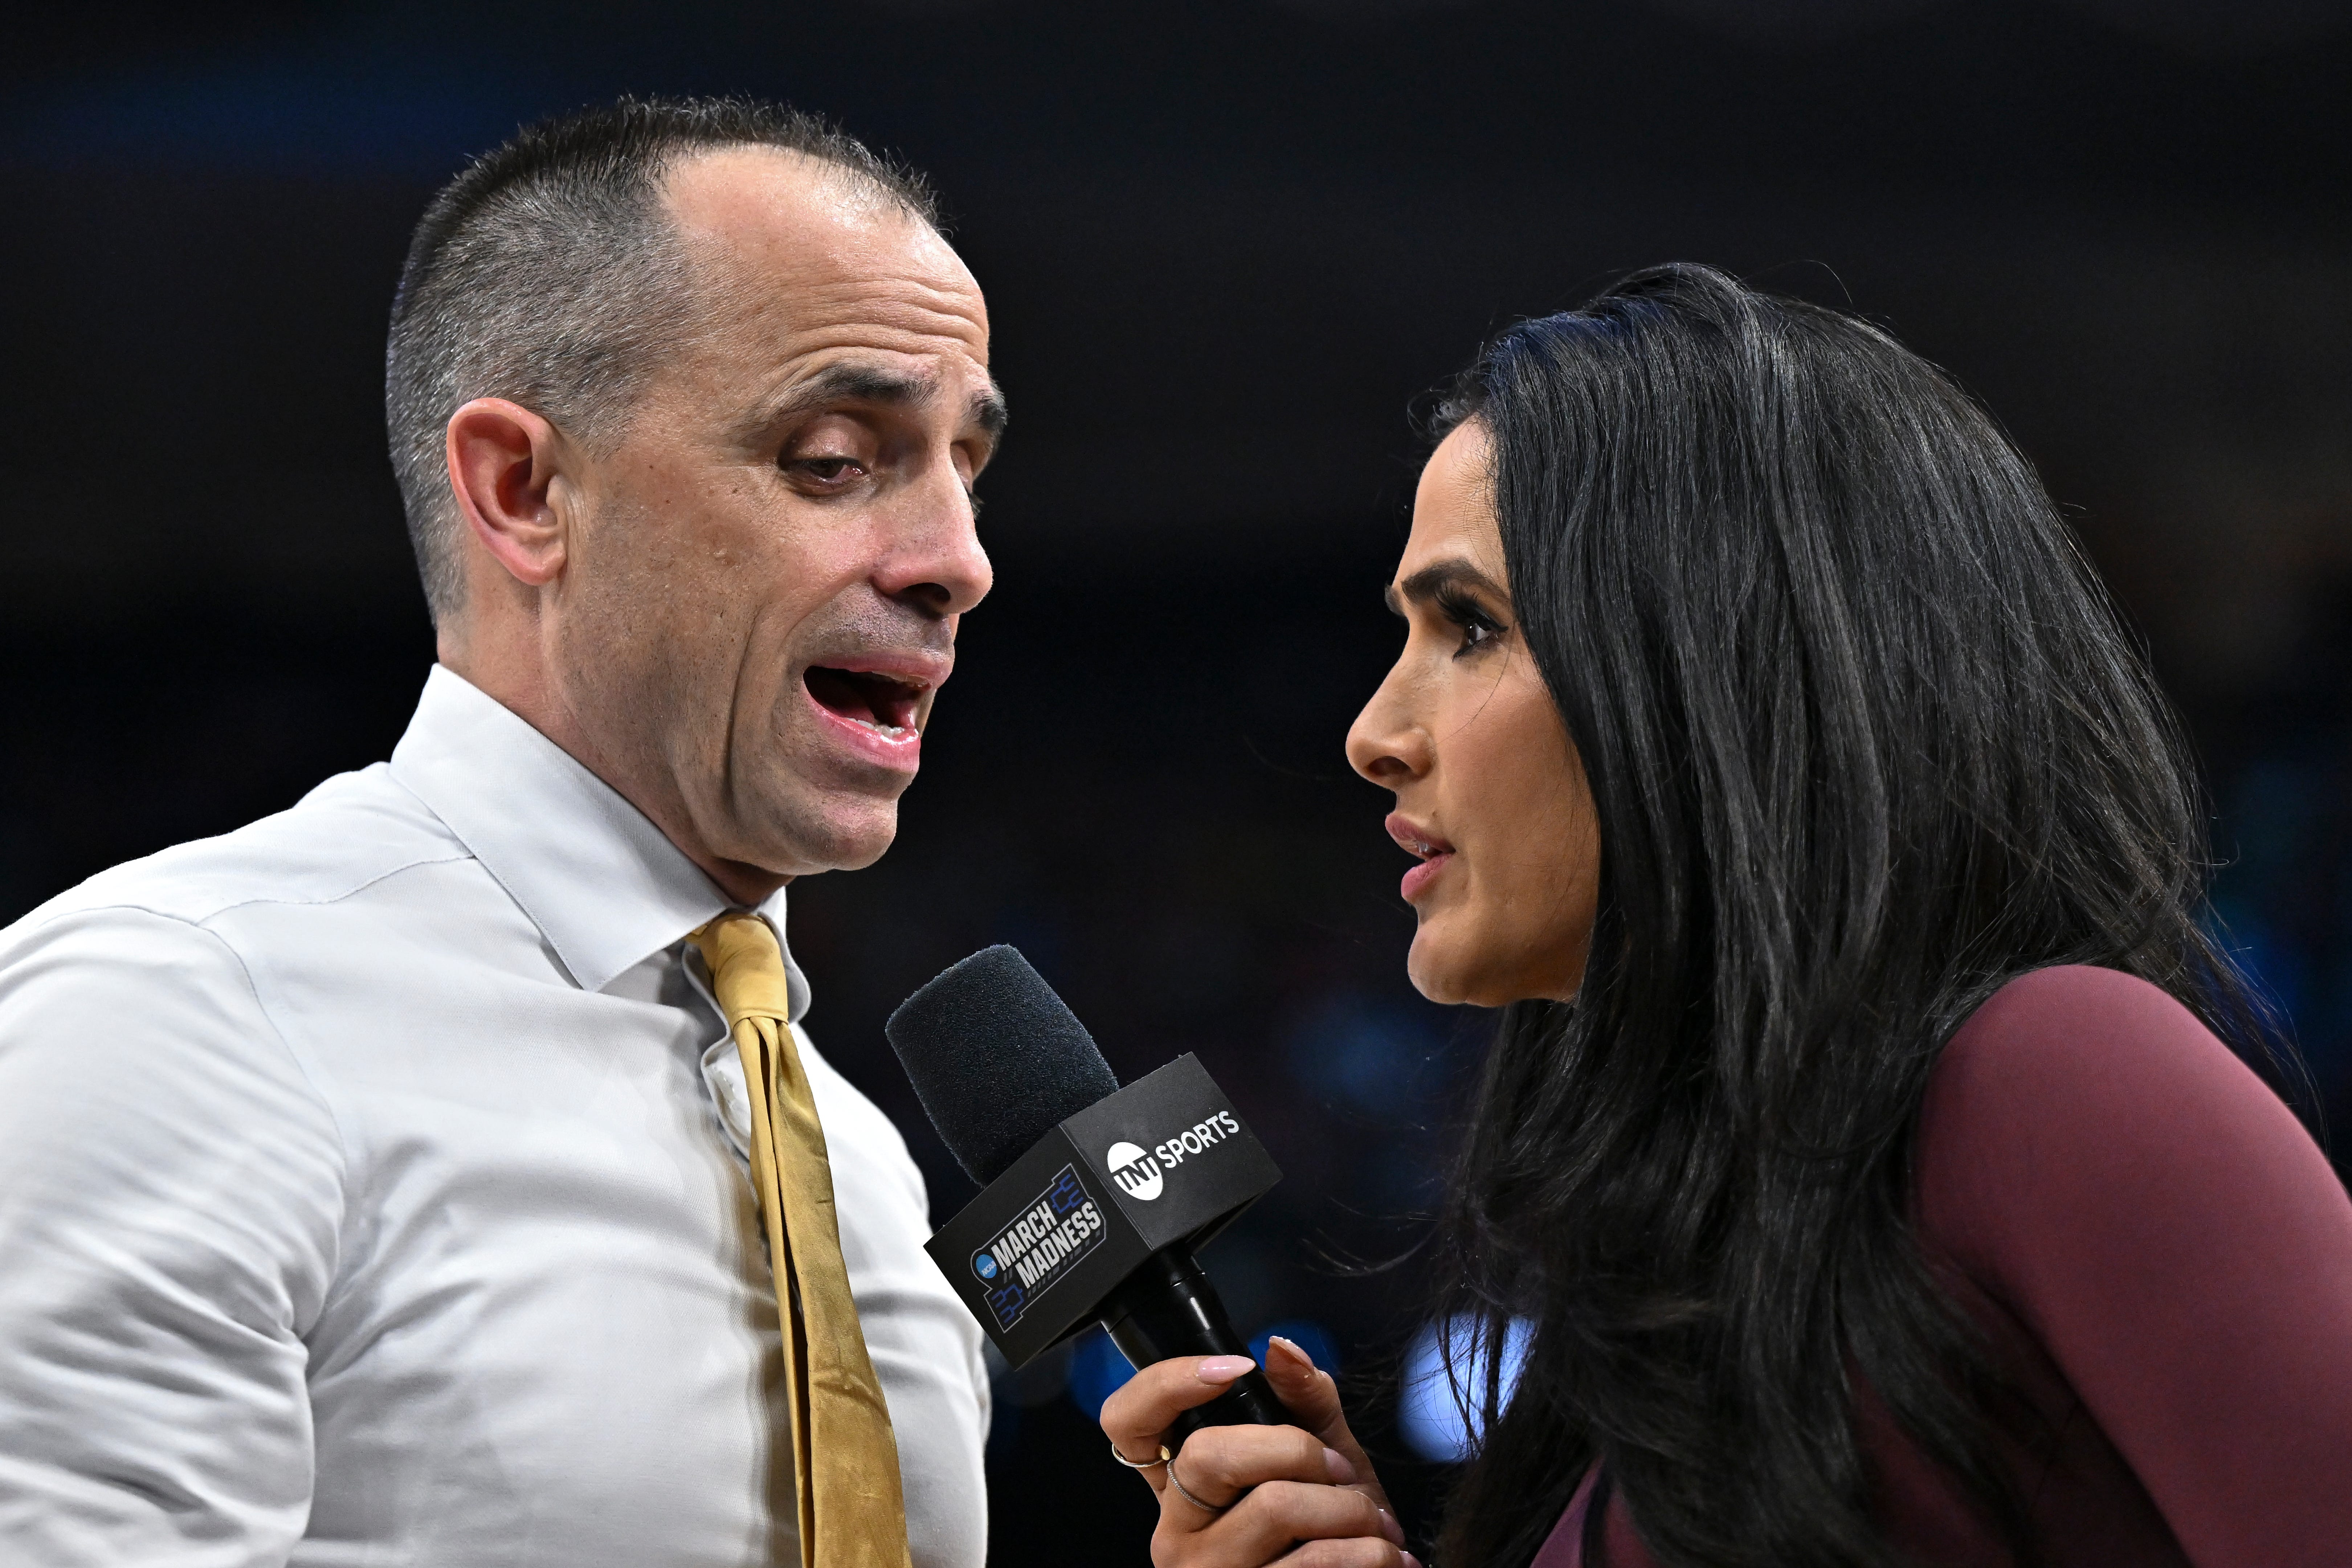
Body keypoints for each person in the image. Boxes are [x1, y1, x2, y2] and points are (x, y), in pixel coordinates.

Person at [1103, 265, 2352, 1567]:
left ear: (1717, 662)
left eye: (1469, 625)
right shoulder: (1672, 1281)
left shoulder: (2059, 1070)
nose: (1372, 734)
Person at [0, 97, 1006, 1567]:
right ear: (525, 491)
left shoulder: (859, 1166)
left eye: (966, 468)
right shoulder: (175, 1018)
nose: (958, 563)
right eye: (838, 458)